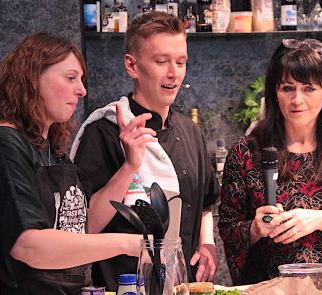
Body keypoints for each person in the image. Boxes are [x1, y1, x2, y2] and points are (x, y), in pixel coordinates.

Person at [0, 32, 142, 295]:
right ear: (32, 79)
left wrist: (129, 166)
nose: (82, 90)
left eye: (81, 80)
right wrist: (128, 243)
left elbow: (80, 226)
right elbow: (28, 245)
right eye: (71, 78)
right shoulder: (3, 145)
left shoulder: (51, 150)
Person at [71, 11, 219, 291]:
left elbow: (206, 202)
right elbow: (84, 225)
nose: (173, 73)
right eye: (161, 61)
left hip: (180, 285)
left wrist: (207, 242)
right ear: (132, 65)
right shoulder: (103, 132)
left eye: (181, 62)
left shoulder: (191, 132)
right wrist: (128, 167)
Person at [218, 38, 322, 285]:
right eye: (288, 88)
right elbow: (228, 230)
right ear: (275, 92)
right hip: (268, 289)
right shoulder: (246, 152)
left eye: (308, 88)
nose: (297, 100)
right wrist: (255, 228)